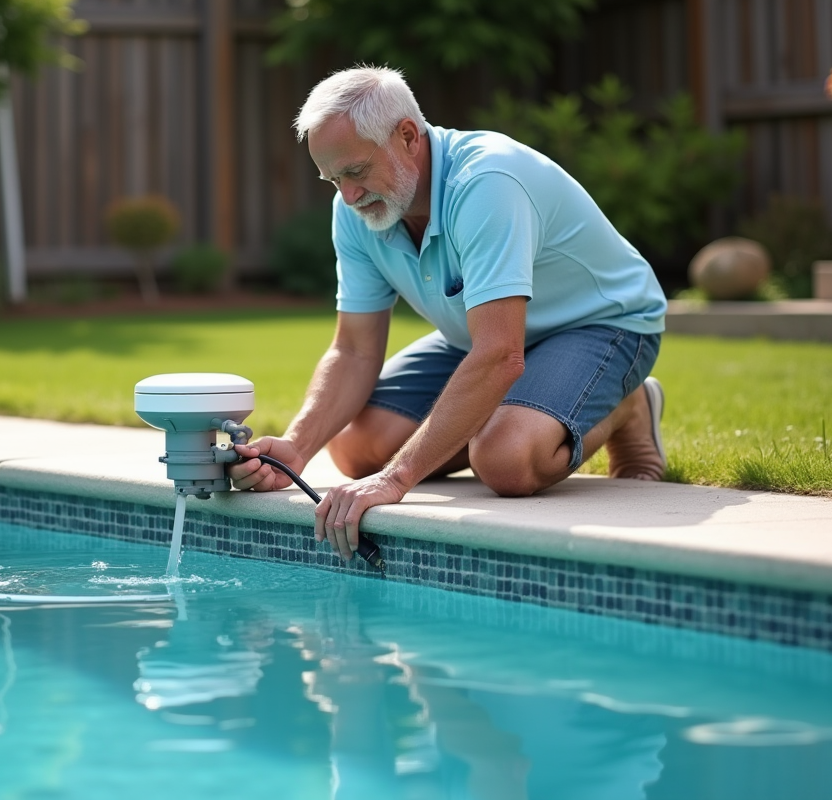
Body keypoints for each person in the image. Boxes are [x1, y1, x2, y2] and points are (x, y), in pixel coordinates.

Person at [228, 66, 668, 562]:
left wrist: (397, 478)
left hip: (603, 324)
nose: (347, 196)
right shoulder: (357, 209)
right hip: (477, 338)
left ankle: (626, 405)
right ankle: (511, 415)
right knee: (354, 447)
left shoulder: (486, 183)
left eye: (354, 172)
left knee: (504, 461)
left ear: (409, 136)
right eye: (332, 179)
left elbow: (501, 355)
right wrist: (296, 448)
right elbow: (353, 348)